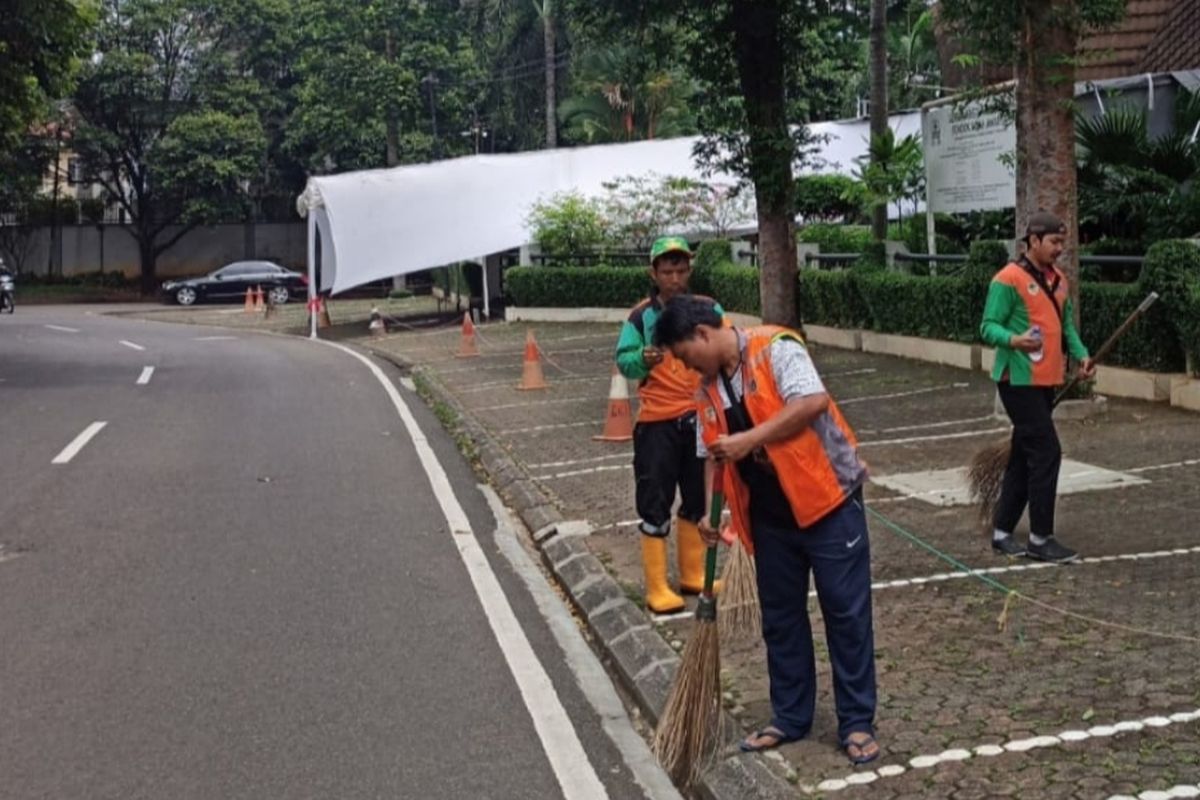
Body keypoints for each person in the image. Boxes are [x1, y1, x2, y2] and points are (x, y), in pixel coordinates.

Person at [653, 295, 879, 765]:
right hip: (771, 517)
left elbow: (813, 401)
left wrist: (750, 440)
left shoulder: (775, 348)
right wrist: (710, 516)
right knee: (780, 618)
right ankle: (791, 716)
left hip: (828, 501)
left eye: (684, 355)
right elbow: (713, 453)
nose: (686, 367)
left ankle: (856, 722)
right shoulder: (707, 389)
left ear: (702, 334)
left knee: (846, 614)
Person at [614, 236, 725, 614]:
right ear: (653, 273)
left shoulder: (708, 308)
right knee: (655, 499)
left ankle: (693, 574)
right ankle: (657, 585)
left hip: (700, 417)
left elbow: (725, 348)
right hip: (657, 423)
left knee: (697, 497)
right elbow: (624, 359)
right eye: (667, 271)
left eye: (681, 270)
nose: (675, 278)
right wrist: (642, 359)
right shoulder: (640, 317)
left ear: (689, 270)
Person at [980, 211, 1095, 563]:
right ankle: (1040, 538)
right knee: (1047, 452)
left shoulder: (1060, 281)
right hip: (1016, 381)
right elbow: (987, 327)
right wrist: (1014, 340)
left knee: (1023, 456)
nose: (1060, 248)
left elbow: (1065, 327)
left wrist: (1082, 356)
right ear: (1033, 241)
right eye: (1054, 242)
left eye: (1062, 242)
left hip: (1046, 379)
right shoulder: (1007, 279)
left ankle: (1002, 531)